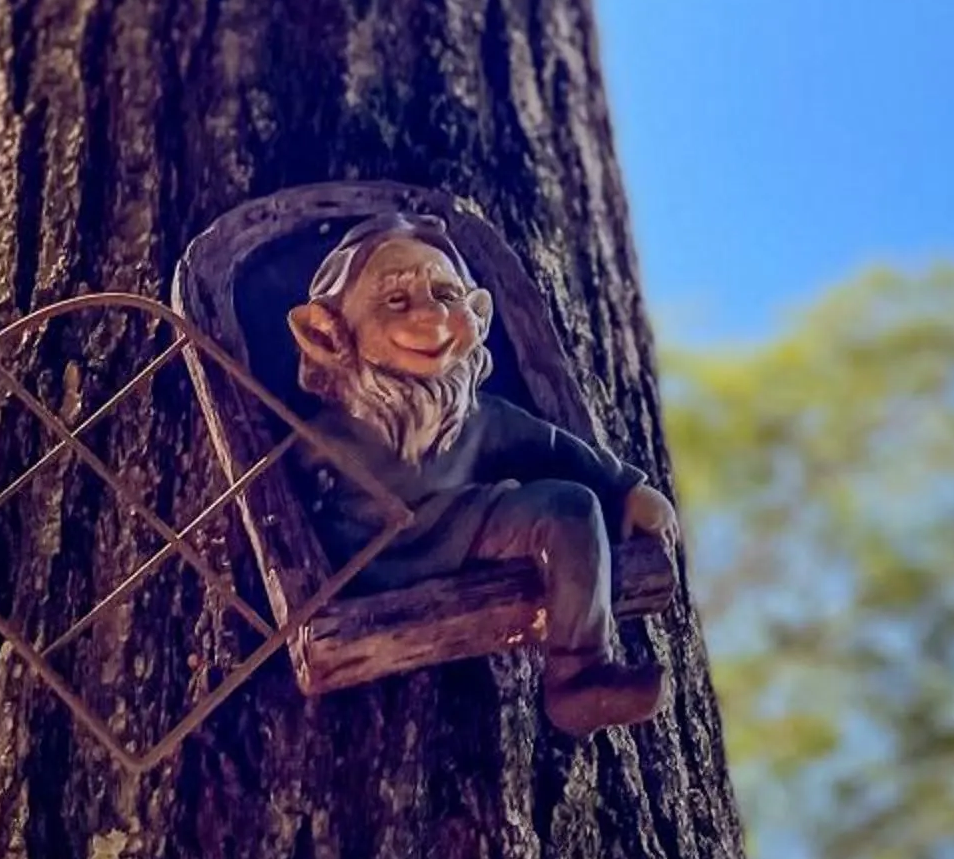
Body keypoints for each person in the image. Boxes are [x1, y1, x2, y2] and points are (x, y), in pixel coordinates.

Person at [287, 213, 676, 737]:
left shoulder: (483, 420)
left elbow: (558, 450)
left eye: (446, 296)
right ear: (328, 334)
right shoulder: (324, 437)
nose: (431, 317)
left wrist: (627, 488)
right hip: (366, 560)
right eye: (396, 301)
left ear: (478, 315)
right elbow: (280, 504)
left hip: (462, 527)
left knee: (570, 507)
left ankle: (579, 675)